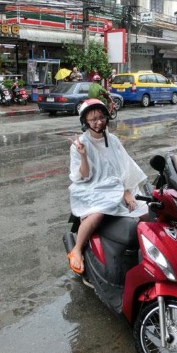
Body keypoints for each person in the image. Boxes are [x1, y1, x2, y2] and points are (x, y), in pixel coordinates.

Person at [66, 99, 147, 274]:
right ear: (85, 121)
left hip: (116, 185)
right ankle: (77, 249)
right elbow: (84, 176)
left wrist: (126, 192)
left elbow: (123, 168)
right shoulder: (80, 144)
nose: (98, 122)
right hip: (91, 187)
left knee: (144, 210)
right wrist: (83, 155)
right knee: (97, 214)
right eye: (93, 119)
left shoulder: (113, 140)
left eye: (101, 117)